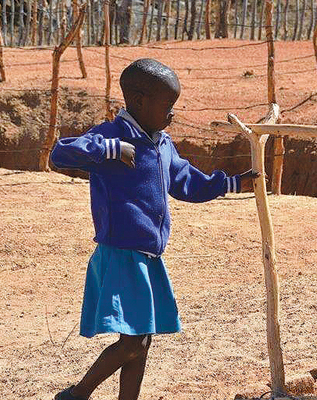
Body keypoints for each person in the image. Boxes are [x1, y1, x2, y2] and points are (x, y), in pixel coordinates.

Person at [50, 58, 255, 400]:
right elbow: (61, 153)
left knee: (142, 341)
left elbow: (187, 182)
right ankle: (77, 394)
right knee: (133, 341)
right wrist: (108, 149)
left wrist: (230, 184)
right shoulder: (112, 135)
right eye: (167, 106)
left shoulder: (162, 144)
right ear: (140, 101)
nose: (171, 114)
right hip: (121, 253)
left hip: (149, 256)